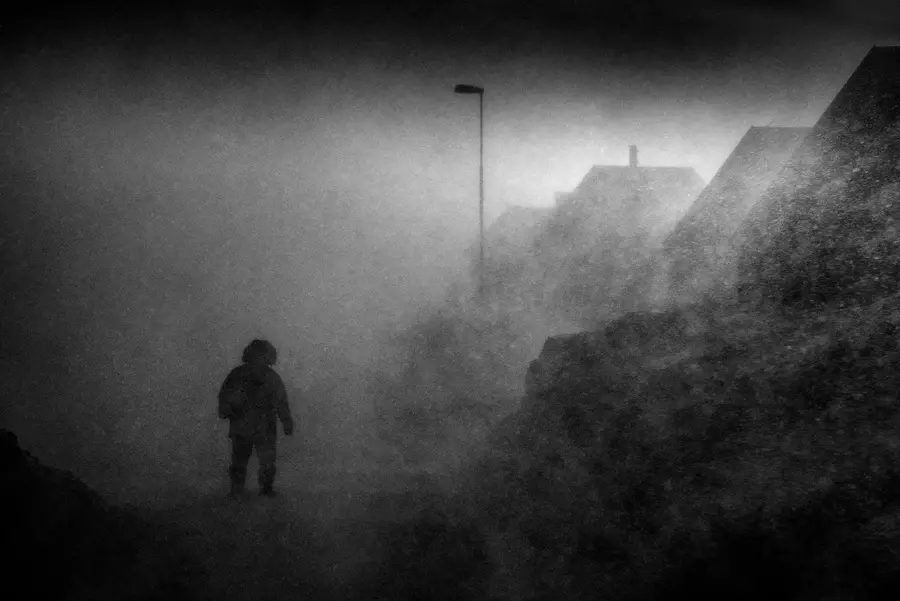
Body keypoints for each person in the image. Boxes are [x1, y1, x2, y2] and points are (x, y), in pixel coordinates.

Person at [218, 339, 294, 497]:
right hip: (262, 426)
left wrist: (226, 410)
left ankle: (239, 490)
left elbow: (226, 396)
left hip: (244, 424)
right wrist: (286, 421)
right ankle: (262, 490)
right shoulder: (271, 377)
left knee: (242, 460)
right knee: (263, 460)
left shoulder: (238, 374)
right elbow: (281, 402)